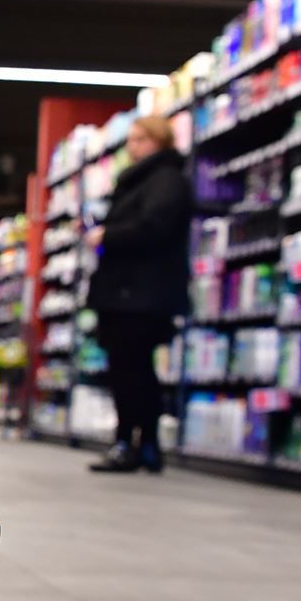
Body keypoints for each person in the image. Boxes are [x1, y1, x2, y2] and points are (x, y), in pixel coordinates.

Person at [84, 113, 193, 474]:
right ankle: (141, 444)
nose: (132, 147)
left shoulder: (165, 180)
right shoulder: (142, 180)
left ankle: (133, 444)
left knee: (132, 371)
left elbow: (155, 227)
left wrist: (107, 236)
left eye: (140, 140)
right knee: (131, 369)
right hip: (129, 292)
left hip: (140, 294)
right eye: (130, 140)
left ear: (160, 142)